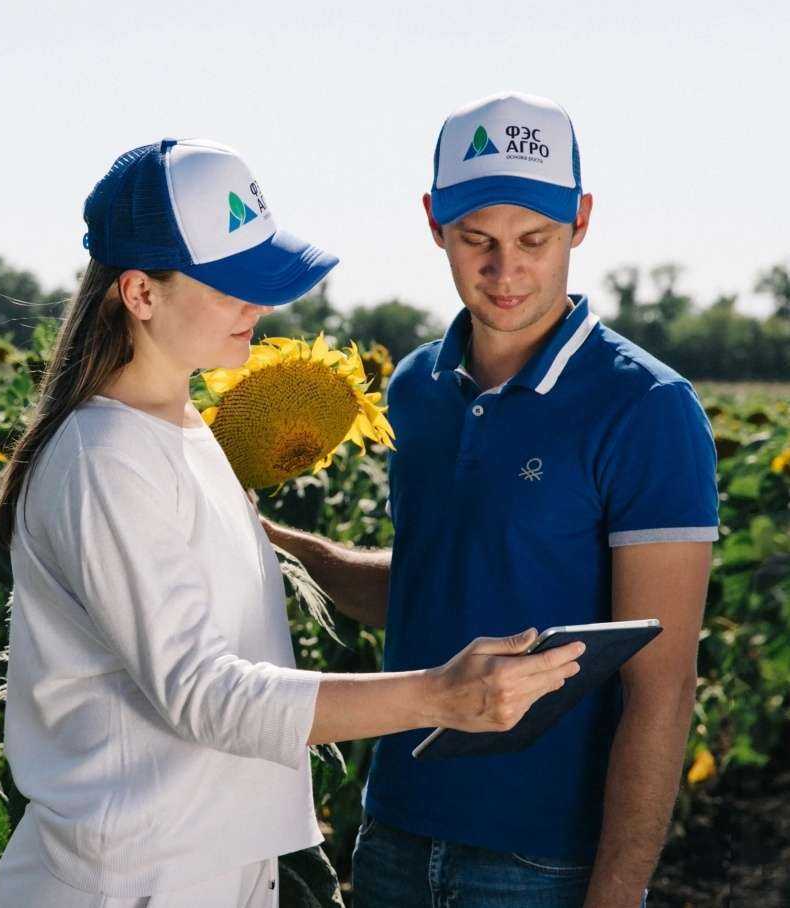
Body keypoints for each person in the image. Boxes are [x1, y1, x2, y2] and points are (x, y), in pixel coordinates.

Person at [0, 137, 584, 907]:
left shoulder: (181, 430)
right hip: (132, 878)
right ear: (140, 294)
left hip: (207, 860)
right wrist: (439, 696)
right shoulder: (104, 457)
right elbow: (204, 693)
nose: (260, 307)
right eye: (232, 285)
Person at [261, 91, 719, 907]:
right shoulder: (414, 388)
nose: (506, 272)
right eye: (478, 240)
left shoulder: (648, 408)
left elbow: (661, 687)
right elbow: (429, 593)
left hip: (545, 863)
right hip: (393, 834)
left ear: (580, 222)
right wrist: (285, 546)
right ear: (434, 223)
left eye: (534, 240)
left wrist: (616, 894)